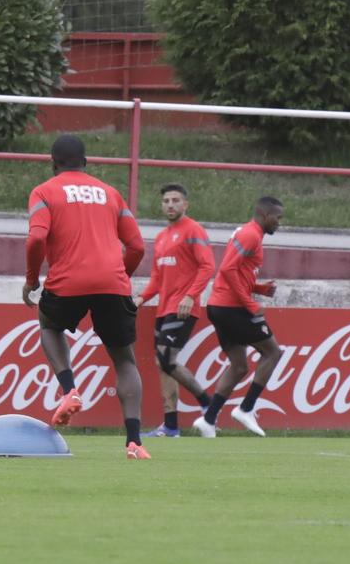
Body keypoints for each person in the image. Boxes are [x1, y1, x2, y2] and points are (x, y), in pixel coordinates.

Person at [24, 135, 151, 459]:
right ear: (86, 162)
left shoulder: (44, 191)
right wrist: (120, 276)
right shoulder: (110, 193)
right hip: (113, 282)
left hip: (68, 281)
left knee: (49, 326)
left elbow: (36, 238)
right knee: (124, 360)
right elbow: (137, 247)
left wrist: (31, 280)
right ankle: (134, 442)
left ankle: (70, 390)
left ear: (53, 163)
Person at [196, 196, 284, 438]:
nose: (279, 223)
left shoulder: (246, 233)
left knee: (239, 365)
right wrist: (249, 302)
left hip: (219, 306)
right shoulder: (251, 235)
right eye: (277, 218)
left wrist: (258, 289)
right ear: (265, 215)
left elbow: (236, 272)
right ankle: (246, 408)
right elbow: (226, 269)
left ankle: (209, 419)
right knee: (273, 352)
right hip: (232, 307)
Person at [137, 182, 217, 437]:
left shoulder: (193, 230)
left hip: (183, 308)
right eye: (166, 201)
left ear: (185, 204)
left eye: (175, 200)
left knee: (166, 360)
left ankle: (209, 404)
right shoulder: (161, 238)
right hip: (163, 309)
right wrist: (141, 298)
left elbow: (207, 267)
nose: (170, 205)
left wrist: (191, 296)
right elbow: (157, 279)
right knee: (164, 365)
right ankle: (171, 426)